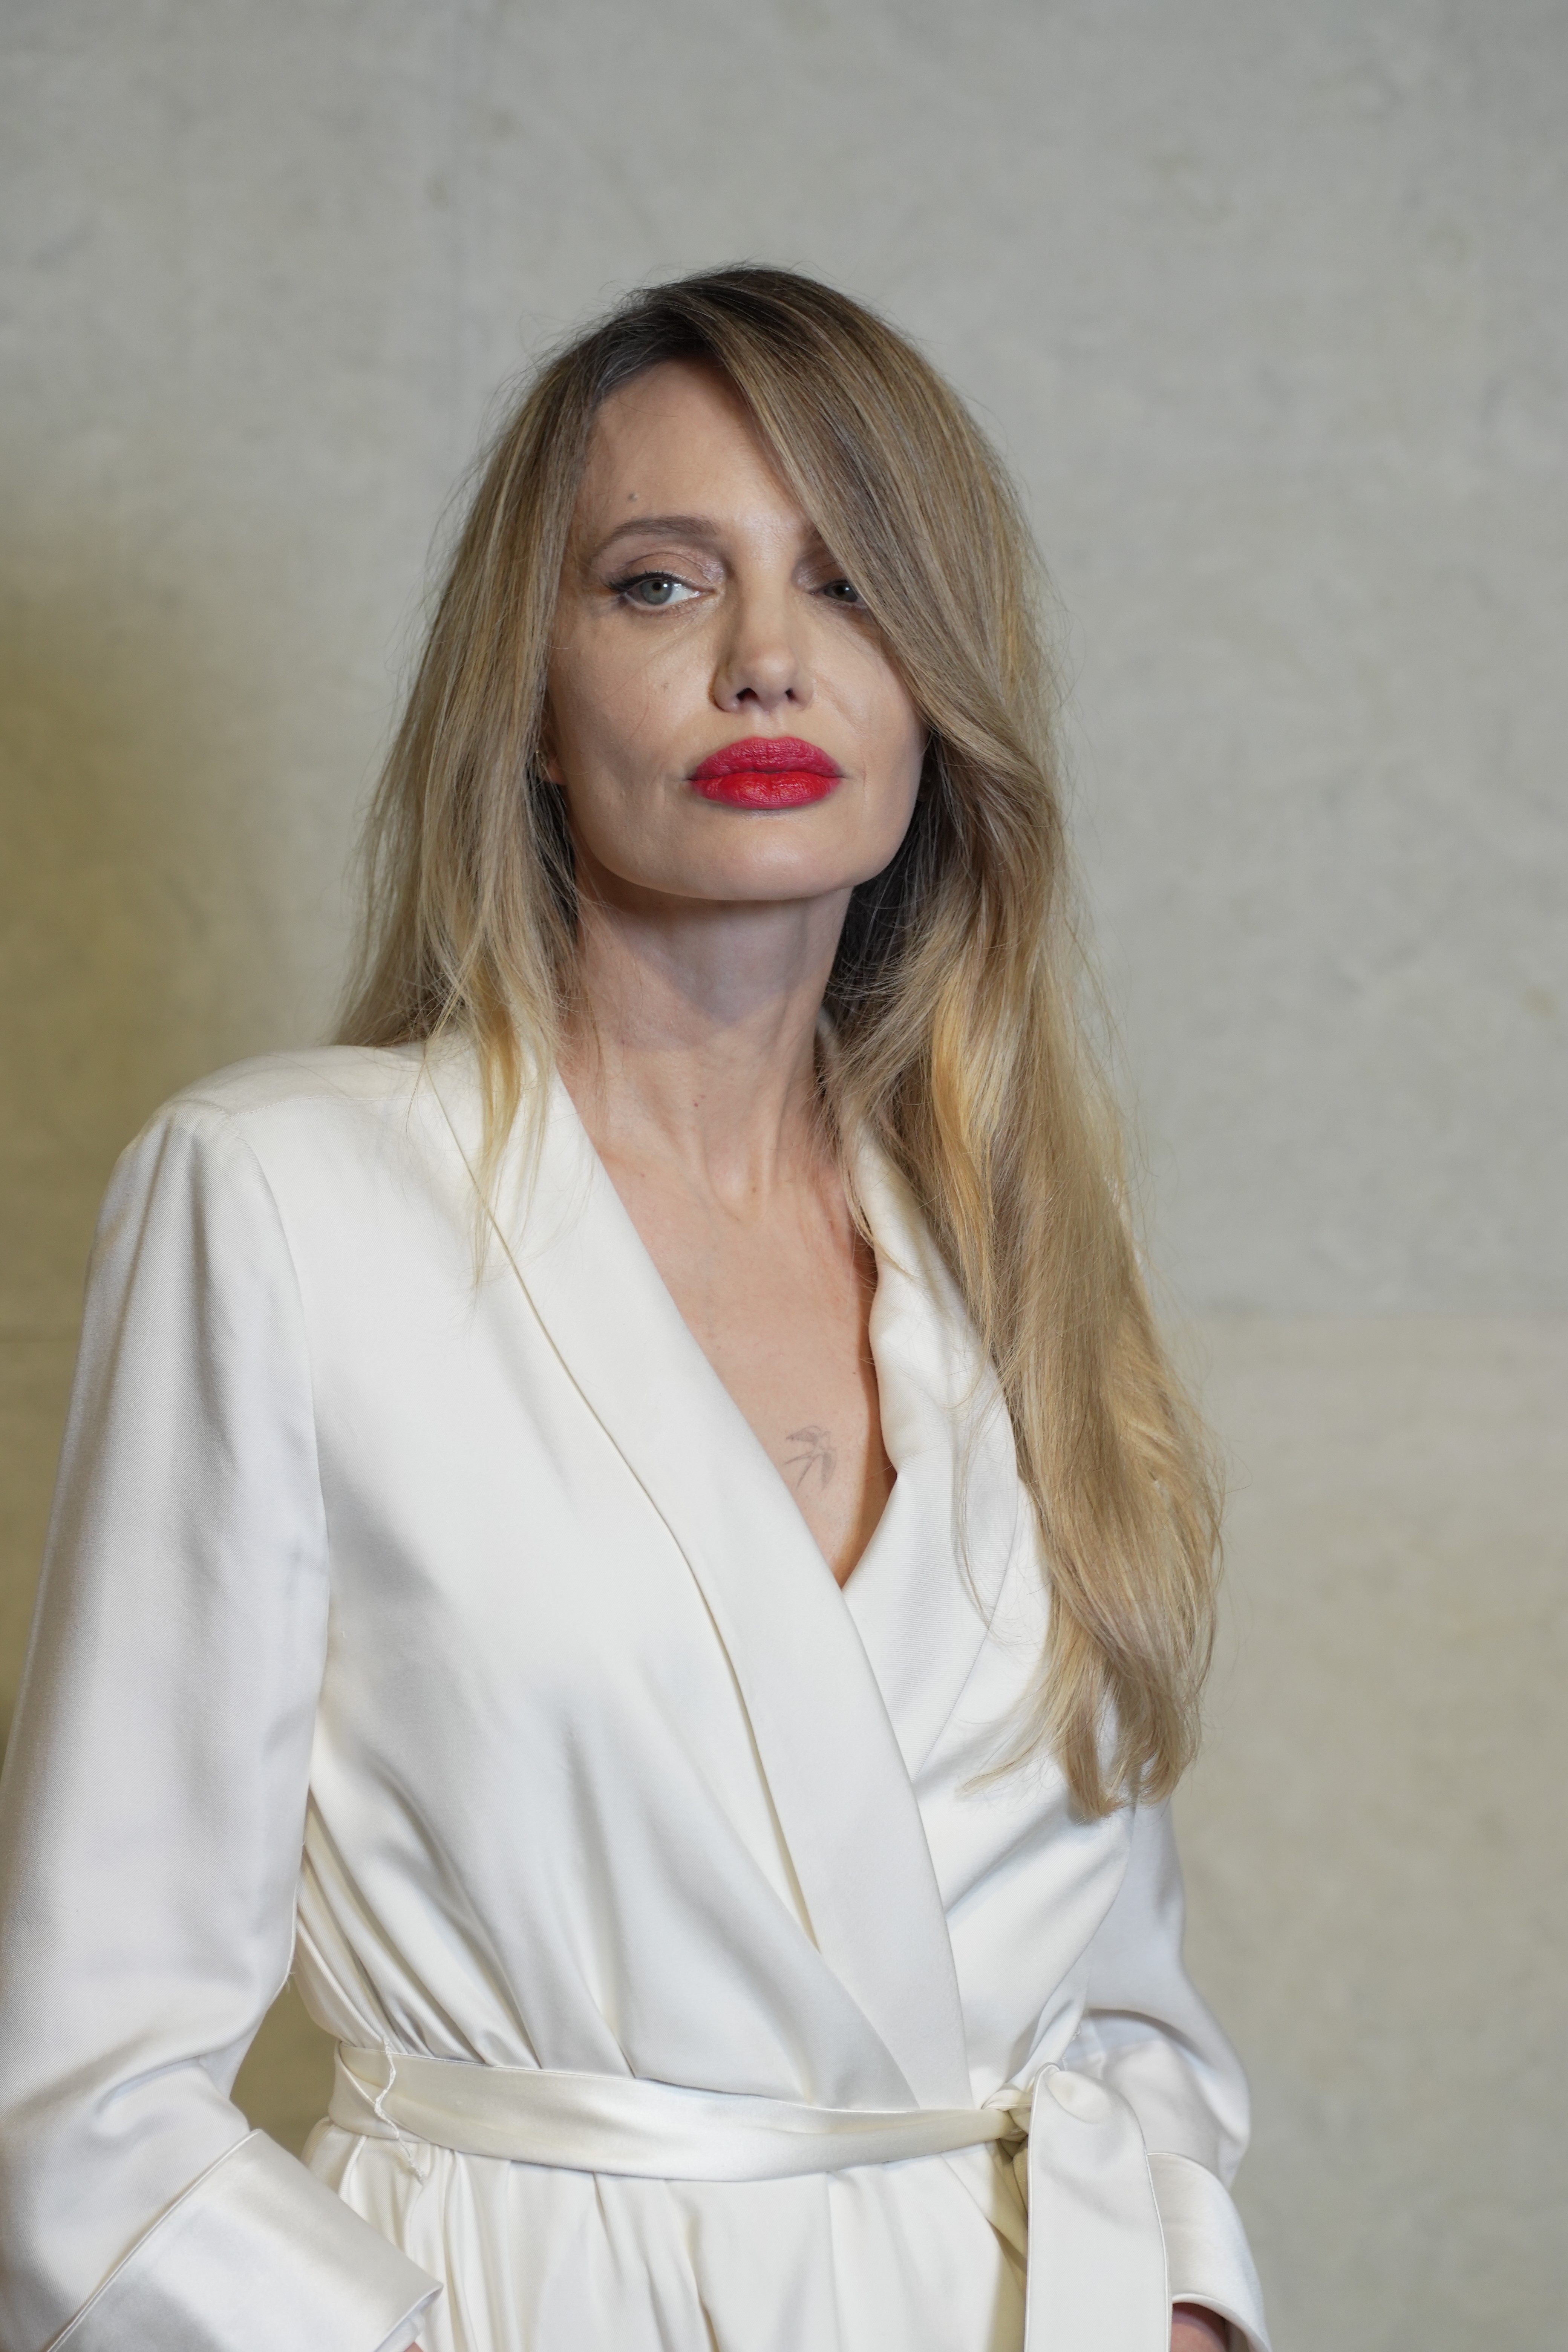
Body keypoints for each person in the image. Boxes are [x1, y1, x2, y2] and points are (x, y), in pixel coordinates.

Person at [0, 266, 1269, 2352]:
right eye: (662, 584)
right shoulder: (285, 1204)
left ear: (938, 694)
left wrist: (1187, 2308)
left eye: (851, 585)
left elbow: (1116, 2030)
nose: (769, 657)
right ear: (528, 699)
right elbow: (83, 2115)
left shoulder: (1013, 1255)